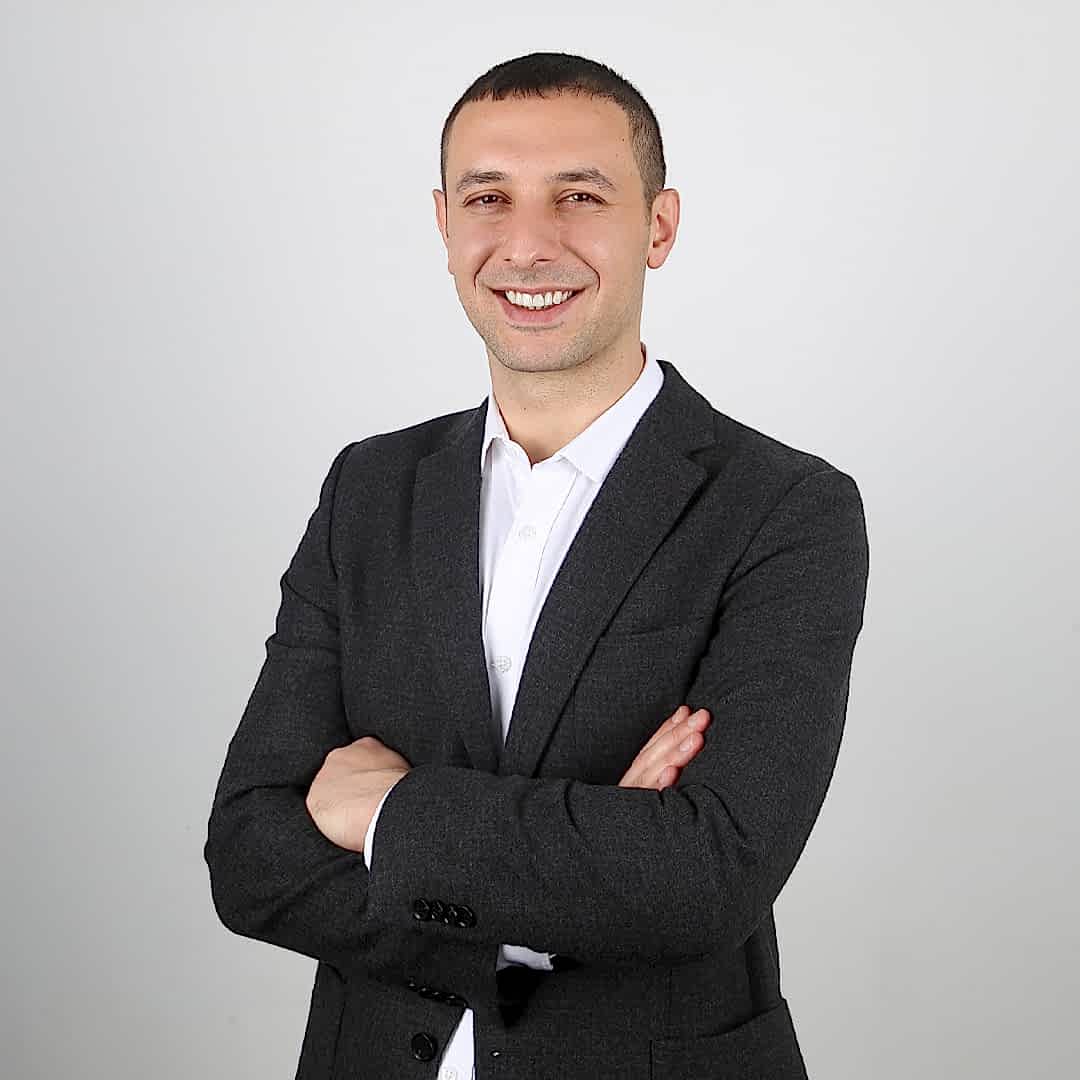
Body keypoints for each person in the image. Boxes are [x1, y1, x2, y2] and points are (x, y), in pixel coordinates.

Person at [204, 51, 869, 1080]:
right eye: (488, 198)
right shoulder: (369, 488)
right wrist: (564, 895)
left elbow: (704, 878)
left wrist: (386, 814)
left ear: (659, 226)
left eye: (579, 196)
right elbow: (252, 854)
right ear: (444, 225)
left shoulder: (785, 509)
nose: (527, 243)